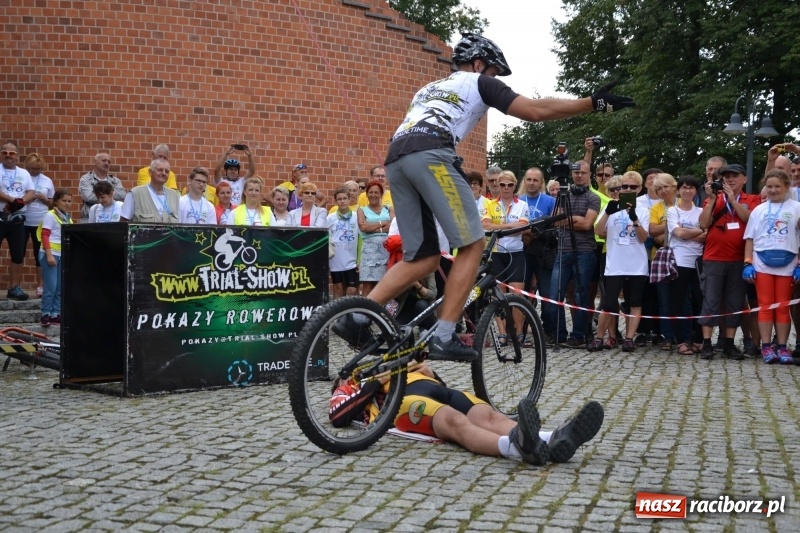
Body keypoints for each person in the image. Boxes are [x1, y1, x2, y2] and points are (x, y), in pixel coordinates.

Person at [336, 33, 633, 361]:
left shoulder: (428, 89)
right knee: (473, 244)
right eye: (492, 71)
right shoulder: (478, 81)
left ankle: (359, 318)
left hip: (396, 159)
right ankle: (444, 335)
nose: (493, 79)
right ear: (478, 63)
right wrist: (592, 102)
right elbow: (535, 110)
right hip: (432, 153)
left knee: (422, 258)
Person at [329, 361, 605, 466]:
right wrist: (377, 378)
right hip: (401, 402)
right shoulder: (349, 385)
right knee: (455, 423)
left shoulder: (390, 358)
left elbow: (440, 384)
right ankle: (516, 447)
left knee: (490, 417)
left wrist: (429, 372)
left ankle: (553, 438)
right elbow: (338, 415)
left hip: (437, 390)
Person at [697, 163, 761, 360]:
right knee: (711, 300)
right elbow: (703, 223)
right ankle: (707, 344)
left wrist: (733, 201)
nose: (730, 180)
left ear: (744, 179)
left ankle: (729, 344)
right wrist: (714, 199)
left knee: (734, 302)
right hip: (714, 257)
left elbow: (752, 220)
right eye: (726, 177)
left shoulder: (752, 199)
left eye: (734, 176)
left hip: (739, 259)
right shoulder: (713, 199)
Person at [743, 169, 800, 364]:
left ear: (786, 186)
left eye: (777, 186)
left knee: (783, 307)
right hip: (762, 263)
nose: (773, 190)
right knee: (765, 306)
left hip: (788, 262)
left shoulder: (796, 208)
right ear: (764, 188)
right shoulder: (758, 210)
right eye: (769, 186)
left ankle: (783, 347)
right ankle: (766, 347)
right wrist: (748, 263)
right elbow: (749, 239)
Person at [589, 172, 649, 352]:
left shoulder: (644, 210)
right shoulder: (611, 207)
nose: (628, 190)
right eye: (625, 186)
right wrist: (607, 212)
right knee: (608, 303)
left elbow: (643, 238)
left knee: (635, 302)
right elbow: (598, 231)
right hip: (615, 263)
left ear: (639, 189)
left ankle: (629, 338)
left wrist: (635, 220)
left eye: (633, 187)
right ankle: (600, 337)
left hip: (637, 264)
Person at [547, 159, 601, 347]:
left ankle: (578, 335)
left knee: (581, 295)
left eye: (583, 173)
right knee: (554, 295)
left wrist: (568, 219)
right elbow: (555, 221)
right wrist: (576, 218)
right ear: (571, 174)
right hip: (563, 249)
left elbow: (587, 224)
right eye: (576, 172)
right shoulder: (563, 196)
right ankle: (559, 334)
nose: (579, 175)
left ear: (589, 175)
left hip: (585, 251)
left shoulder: (594, 198)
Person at [482, 171, 530, 345]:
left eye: (510, 185)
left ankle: (517, 333)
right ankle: (502, 333)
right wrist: (511, 226)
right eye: (502, 184)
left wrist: (500, 228)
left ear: (515, 185)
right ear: (498, 185)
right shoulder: (490, 204)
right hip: (497, 253)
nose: (506, 188)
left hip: (516, 253)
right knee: (498, 295)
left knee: (517, 295)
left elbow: (524, 227)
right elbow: (486, 226)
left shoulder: (522, 204)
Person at [666, 176, 706, 356]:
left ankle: (698, 339)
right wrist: (697, 231)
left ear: (696, 191)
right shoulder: (672, 211)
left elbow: (707, 235)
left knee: (701, 301)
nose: (688, 191)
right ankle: (680, 341)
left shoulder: (701, 211)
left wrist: (686, 233)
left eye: (691, 188)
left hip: (698, 261)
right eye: (684, 188)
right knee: (677, 302)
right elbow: (677, 232)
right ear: (678, 191)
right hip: (679, 261)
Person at [648, 173, 680, 351]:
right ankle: (668, 336)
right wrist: (674, 225)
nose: (662, 191)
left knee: (683, 299)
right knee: (664, 300)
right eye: (658, 189)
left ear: (674, 186)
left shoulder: (685, 204)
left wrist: (667, 229)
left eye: (665, 187)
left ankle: (684, 336)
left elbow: (690, 227)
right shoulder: (656, 208)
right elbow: (653, 232)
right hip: (661, 259)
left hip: (682, 257)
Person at [1, 142, 35, 301]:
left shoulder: (24, 173)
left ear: (17, 155)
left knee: (18, 254)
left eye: (12, 153)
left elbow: (31, 192)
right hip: (0, 216)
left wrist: (20, 202)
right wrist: (11, 200)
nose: (8, 155)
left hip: (17, 220)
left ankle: (14, 288)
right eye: (5, 152)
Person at [517, 167, 556, 305]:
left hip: (543, 253)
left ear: (541, 183)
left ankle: (547, 325)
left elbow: (554, 226)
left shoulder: (550, 201)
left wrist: (530, 231)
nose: (531, 183)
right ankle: (521, 324)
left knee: (546, 293)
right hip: (523, 251)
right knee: (522, 292)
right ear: (524, 181)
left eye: (535, 180)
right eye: (529, 179)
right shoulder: (518, 201)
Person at [38, 189, 72, 327]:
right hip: (50, 254)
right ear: (56, 201)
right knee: (51, 286)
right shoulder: (50, 215)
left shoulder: (67, 217)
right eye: (64, 201)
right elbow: (45, 235)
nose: (67, 204)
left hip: (62, 254)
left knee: (59, 287)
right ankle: (45, 313)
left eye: (69, 201)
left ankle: (55, 313)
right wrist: (49, 254)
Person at [23, 153, 54, 297]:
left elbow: (53, 204)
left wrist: (45, 200)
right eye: (32, 168)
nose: (35, 171)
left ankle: (40, 285)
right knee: (18, 253)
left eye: (37, 169)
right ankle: (15, 285)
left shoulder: (47, 180)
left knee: (39, 254)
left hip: (40, 221)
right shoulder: (23, 177)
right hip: (22, 220)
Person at [357, 180, 394, 297]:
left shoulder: (389, 209)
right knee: (367, 286)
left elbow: (393, 225)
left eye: (376, 192)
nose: (373, 195)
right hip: (368, 253)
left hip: (386, 252)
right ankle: (365, 314)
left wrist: (372, 227)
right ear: (367, 194)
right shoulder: (361, 210)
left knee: (384, 286)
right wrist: (382, 223)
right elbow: (363, 227)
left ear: (381, 194)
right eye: (370, 192)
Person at [120, 159, 180, 223]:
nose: (163, 173)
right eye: (160, 170)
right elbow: (123, 224)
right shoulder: (135, 194)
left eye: (167, 171)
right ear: (150, 172)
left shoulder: (175, 196)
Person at [327, 187, 359, 298]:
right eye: (339, 199)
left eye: (345, 198)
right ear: (335, 201)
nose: (342, 201)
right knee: (338, 289)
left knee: (352, 290)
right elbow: (327, 238)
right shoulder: (330, 218)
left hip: (351, 260)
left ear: (349, 199)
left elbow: (361, 238)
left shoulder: (356, 216)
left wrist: (359, 259)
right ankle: (338, 315)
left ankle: (350, 314)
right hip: (335, 260)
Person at [78, 152, 126, 220]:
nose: (106, 163)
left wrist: (105, 196)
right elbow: (89, 197)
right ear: (95, 161)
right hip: (89, 218)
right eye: (103, 160)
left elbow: (122, 195)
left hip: (112, 218)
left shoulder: (115, 180)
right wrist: (107, 196)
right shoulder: (86, 179)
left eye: (109, 162)